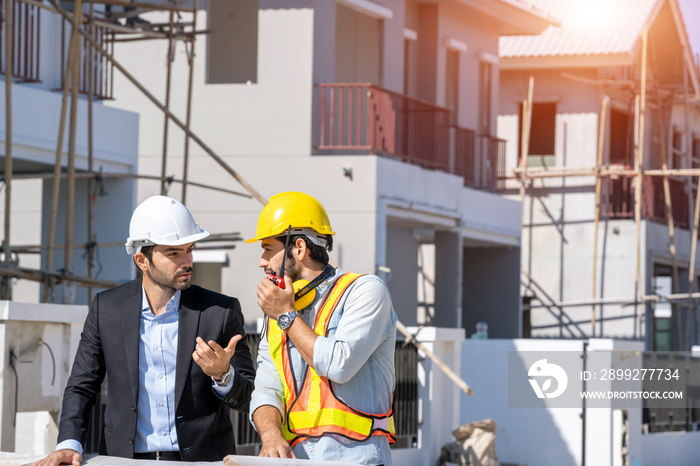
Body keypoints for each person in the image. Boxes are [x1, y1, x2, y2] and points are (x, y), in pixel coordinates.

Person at [34, 195, 256, 465]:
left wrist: (224, 375)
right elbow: (82, 387)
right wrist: (69, 442)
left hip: (201, 461)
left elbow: (250, 397)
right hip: (125, 460)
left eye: (189, 249)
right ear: (142, 260)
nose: (187, 261)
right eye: (174, 253)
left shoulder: (220, 312)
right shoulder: (107, 309)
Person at [247, 191, 397, 466]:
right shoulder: (278, 313)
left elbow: (339, 364)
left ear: (299, 248)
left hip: (358, 460)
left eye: (268, 248)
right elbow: (266, 388)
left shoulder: (365, 291)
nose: (261, 261)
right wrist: (270, 436)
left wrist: (285, 315)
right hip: (296, 460)